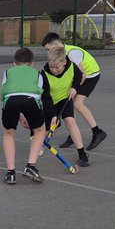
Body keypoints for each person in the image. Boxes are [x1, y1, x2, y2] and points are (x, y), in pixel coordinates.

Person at [41, 33, 107, 151]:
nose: (48, 53)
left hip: (90, 75)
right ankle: (73, 135)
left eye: (48, 49)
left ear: (55, 44)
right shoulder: (61, 54)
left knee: (77, 103)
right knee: (71, 104)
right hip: (82, 77)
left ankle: (97, 132)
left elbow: (82, 75)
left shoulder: (70, 53)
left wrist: (74, 89)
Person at [39, 35, 90, 167]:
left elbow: (79, 77)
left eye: (57, 67)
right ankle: (39, 147)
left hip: (65, 99)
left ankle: (82, 153)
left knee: (70, 121)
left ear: (64, 62)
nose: (54, 70)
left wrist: (74, 88)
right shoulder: (44, 74)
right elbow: (46, 98)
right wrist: (53, 116)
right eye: (51, 67)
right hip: (50, 103)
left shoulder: (72, 66)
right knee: (46, 128)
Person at [0, 47, 46, 184]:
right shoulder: (37, 74)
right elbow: (38, 96)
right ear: (32, 63)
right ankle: (31, 166)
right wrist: (32, 118)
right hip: (31, 100)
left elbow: (5, 95)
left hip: (10, 102)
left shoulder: (7, 72)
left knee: (9, 133)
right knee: (39, 130)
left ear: (14, 63)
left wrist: (19, 118)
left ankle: (10, 173)